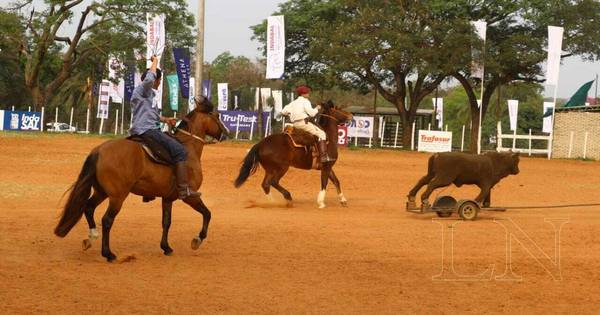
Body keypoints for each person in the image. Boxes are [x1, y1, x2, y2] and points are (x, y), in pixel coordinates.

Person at [129, 55, 199, 200]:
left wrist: (166, 120)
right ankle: (183, 190)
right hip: (147, 131)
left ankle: (148, 191)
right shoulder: (143, 90)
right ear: (155, 79)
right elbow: (149, 79)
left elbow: (151, 115)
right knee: (180, 152)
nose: (159, 83)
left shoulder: (147, 94)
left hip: (143, 129)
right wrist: (155, 61)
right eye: (159, 80)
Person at [281, 85, 334, 163]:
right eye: (307, 92)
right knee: (322, 134)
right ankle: (323, 156)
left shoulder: (293, 103)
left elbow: (283, 111)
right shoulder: (305, 101)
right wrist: (317, 108)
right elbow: (312, 114)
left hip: (294, 125)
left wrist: (290, 113)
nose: (308, 93)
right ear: (303, 94)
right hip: (303, 124)